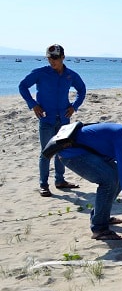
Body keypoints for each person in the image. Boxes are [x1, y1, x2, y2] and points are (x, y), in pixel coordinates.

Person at [19, 44, 87, 197]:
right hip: (46, 119)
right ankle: (43, 185)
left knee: (61, 151)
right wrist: (33, 105)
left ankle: (60, 180)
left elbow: (82, 90)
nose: (52, 61)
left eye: (55, 58)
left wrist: (74, 107)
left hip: (64, 120)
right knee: (46, 153)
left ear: (63, 57)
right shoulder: (40, 73)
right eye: (50, 58)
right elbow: (22, 86)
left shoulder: (70, 75)